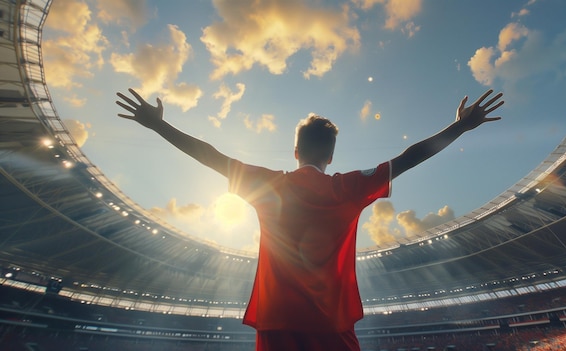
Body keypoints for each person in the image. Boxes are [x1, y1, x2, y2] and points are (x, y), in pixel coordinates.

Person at [116, 88, 504, 351]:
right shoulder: (349, 188)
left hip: (276, 325)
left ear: (295, 150)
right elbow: (408, 157)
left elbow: (210, 156)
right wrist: (461, 126)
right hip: (332, 328)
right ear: (331, 157)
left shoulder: (267, 184)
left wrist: (158, 125)